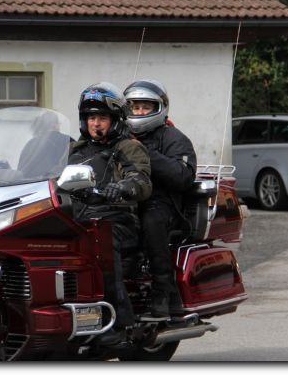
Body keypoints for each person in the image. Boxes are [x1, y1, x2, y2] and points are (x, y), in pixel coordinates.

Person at [68, 82, 152, 345]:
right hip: (80, 216)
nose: (96, 123)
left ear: (115, 120)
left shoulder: (128, 147)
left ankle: (118, 324)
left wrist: (125, 186)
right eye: (91, 117)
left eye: (102, 117)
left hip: (117, 219)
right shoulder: (75, 151)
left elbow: (142, 180)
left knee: (99, 242)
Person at [123, 79, 197, 318]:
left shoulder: (174, 138)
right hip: (126, 199)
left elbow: (184, 176)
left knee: (151, 221)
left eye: (146, 107)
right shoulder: (119, 136)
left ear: (160, 108)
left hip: (163, 204)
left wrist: (146, 153)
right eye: (135, 107)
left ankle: (164, 290)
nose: (140, 112)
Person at [18, 110, 72, 178]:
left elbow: (20, 173)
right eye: (58, 123)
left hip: (31, 186)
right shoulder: (68, 140)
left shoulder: (30, 144)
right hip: (59, 186)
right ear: (55, 125)